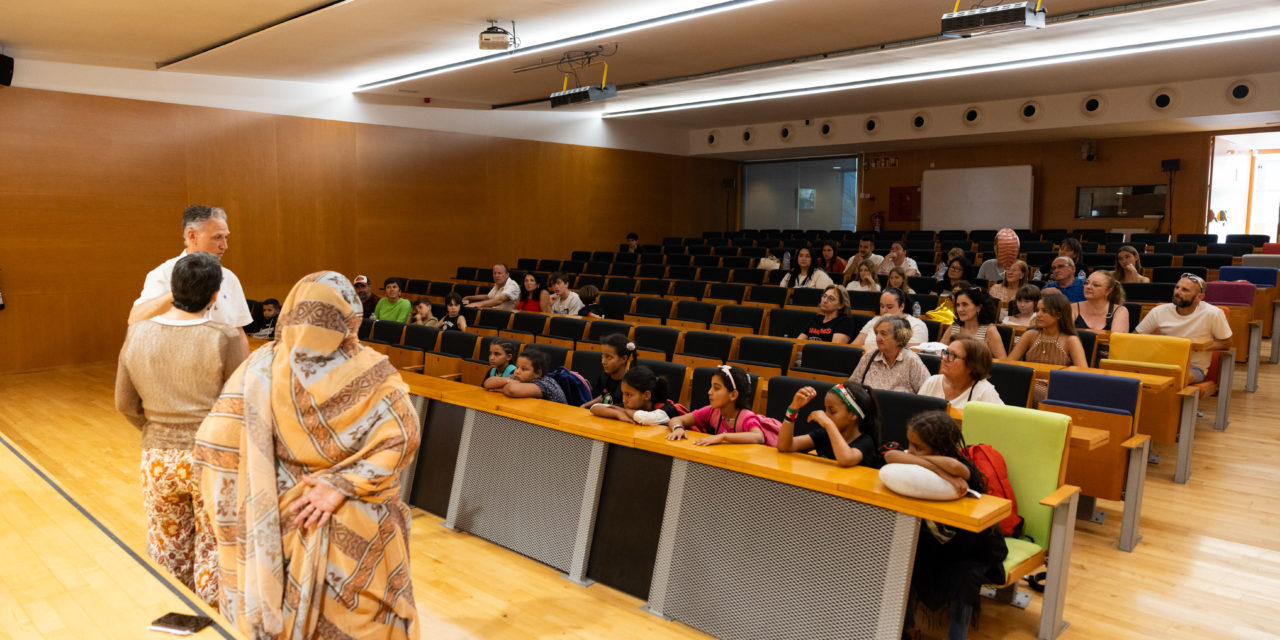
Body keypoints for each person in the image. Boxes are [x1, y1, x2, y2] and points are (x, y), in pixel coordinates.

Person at [193, 271, 420, 638]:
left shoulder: (257, 369)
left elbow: (214, 448)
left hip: (279, 522)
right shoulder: (373, 371)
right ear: (351, 316)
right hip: (358, 519)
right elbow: (403, 437)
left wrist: (258, 498)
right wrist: (341, 484)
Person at [116, 252, 245, 606]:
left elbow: (124, 403)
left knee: (165, 544)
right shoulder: (223, 336)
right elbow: (239, 402)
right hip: (211, 456)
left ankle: (172, 617)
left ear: (172, 290)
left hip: (157, 457)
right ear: (216, 294)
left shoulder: (137, 334)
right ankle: (213, 625)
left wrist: (155, 428)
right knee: (213, 546)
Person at [886, 412, 1007, 640]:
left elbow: (953, 465)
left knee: (964, 579)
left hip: (968, 551)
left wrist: (941, 470)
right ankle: (908, 629)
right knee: (902, 560)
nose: (910, 451)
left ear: (941, 447)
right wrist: (937, 469)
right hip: (933, 547)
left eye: (918, 447)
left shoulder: (964, 471)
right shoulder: (917, 465)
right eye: (909, 444)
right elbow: (891, 455)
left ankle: (956, 636)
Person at [130, 205, 252, 358]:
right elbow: (135, 319)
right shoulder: (163, 274)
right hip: (182, 368)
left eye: (226, 237)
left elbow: (238, 331)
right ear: (192, 236)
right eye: (217, 237)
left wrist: (246, 374)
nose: (224, 246)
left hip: (225, 370)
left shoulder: (230, 278)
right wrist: (180, 291)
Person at [1135, 274, 1233, 383]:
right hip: (1159, 362)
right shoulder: (1159, 311)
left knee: (1170, 380)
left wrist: (1196, 346)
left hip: (1193, 367)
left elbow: (1227, 343)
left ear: (1199, 297)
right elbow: (1135, 337)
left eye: (1185, 290)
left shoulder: (1213, 313)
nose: (1178, 292)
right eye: (1177, 287)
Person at [665, 365, 780, 446]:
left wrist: (723, 437)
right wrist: (678, 428)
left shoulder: (746, 417)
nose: (709, 392)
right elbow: (678, 419)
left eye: (716, 388)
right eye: (711, 387)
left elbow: (758, 437)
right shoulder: (712, 411)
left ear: (733, 395)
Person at [776, 382, 882, 468]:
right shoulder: (824, 435)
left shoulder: (865, 441)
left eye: (832, 411)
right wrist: (793, 409)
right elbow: (785, 446)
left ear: (853, 415)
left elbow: (845, 459)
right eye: (825, 409)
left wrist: (828, 424)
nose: (826, 415)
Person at [1008, 294, 1090, 402]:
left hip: (1057, 388)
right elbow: (1008, 364)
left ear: (1059, 314)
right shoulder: (1030, 335)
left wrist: (1054, 381)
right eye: (1037, 310)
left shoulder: (1070, 340)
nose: (1038, 315)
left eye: (1044, 311)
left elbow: (1083, 375)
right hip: (1029, 384)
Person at [847, 315, 931, 393]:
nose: (878, 338)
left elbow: (928, 393)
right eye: (877, 333)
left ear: (899, 338)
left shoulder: (911, 360)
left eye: (883, 334)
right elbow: (851, 387)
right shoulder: (870, 356)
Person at [918, 338, 1004, 410]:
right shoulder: (933, 381)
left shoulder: (984, 392)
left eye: (953, 355)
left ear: (971, 365)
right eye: (946, 353)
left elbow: (1001, 425)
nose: (945, 359)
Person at [590, 365, 686, 425]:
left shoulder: (667, 410)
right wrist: (617, 413)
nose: (624, 400)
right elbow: (595, 407)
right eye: (623, 393)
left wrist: (624, 411)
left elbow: (645, 418)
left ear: (646, 395)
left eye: (629, 395)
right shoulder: (631, 405)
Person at [482, 346, 568, 403]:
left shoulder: (544, 383)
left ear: (538, 373)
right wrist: (508, 380)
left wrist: (501, 389)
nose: (517, 371)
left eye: (524, 369)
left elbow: (512, 390)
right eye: (517, 367)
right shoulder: (518, 377)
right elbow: (488, 383)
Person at [940, 288, 1008, 359]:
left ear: (978, 307)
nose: (960, 309)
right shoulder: (953, 327)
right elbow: (939, 352)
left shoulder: (990, 331)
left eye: (965, 304)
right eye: (958, 305)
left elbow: (1003, 363)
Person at [852, 288, 928, 346]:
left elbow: (913, 354)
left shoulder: (917, 325)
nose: (884, 311)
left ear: (901, 306)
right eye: (882, 306)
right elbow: (855, 347)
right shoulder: (875, 320)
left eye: (889, 307)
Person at [583, 334, 635, 408]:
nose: (603, 361)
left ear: (623, 359)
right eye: (602, 356)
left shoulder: (631, 384)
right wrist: (585, 405)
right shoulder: (604, 376)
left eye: (609, 357)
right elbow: (605, 396)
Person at [1072, 270, 1130, 334]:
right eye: (1086, 283)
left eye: (1095, 285)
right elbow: (1062, 336)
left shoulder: (1120, 311)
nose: (1088, 287)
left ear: (1108, 291)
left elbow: (1117, 340)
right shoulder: (1072, 308)